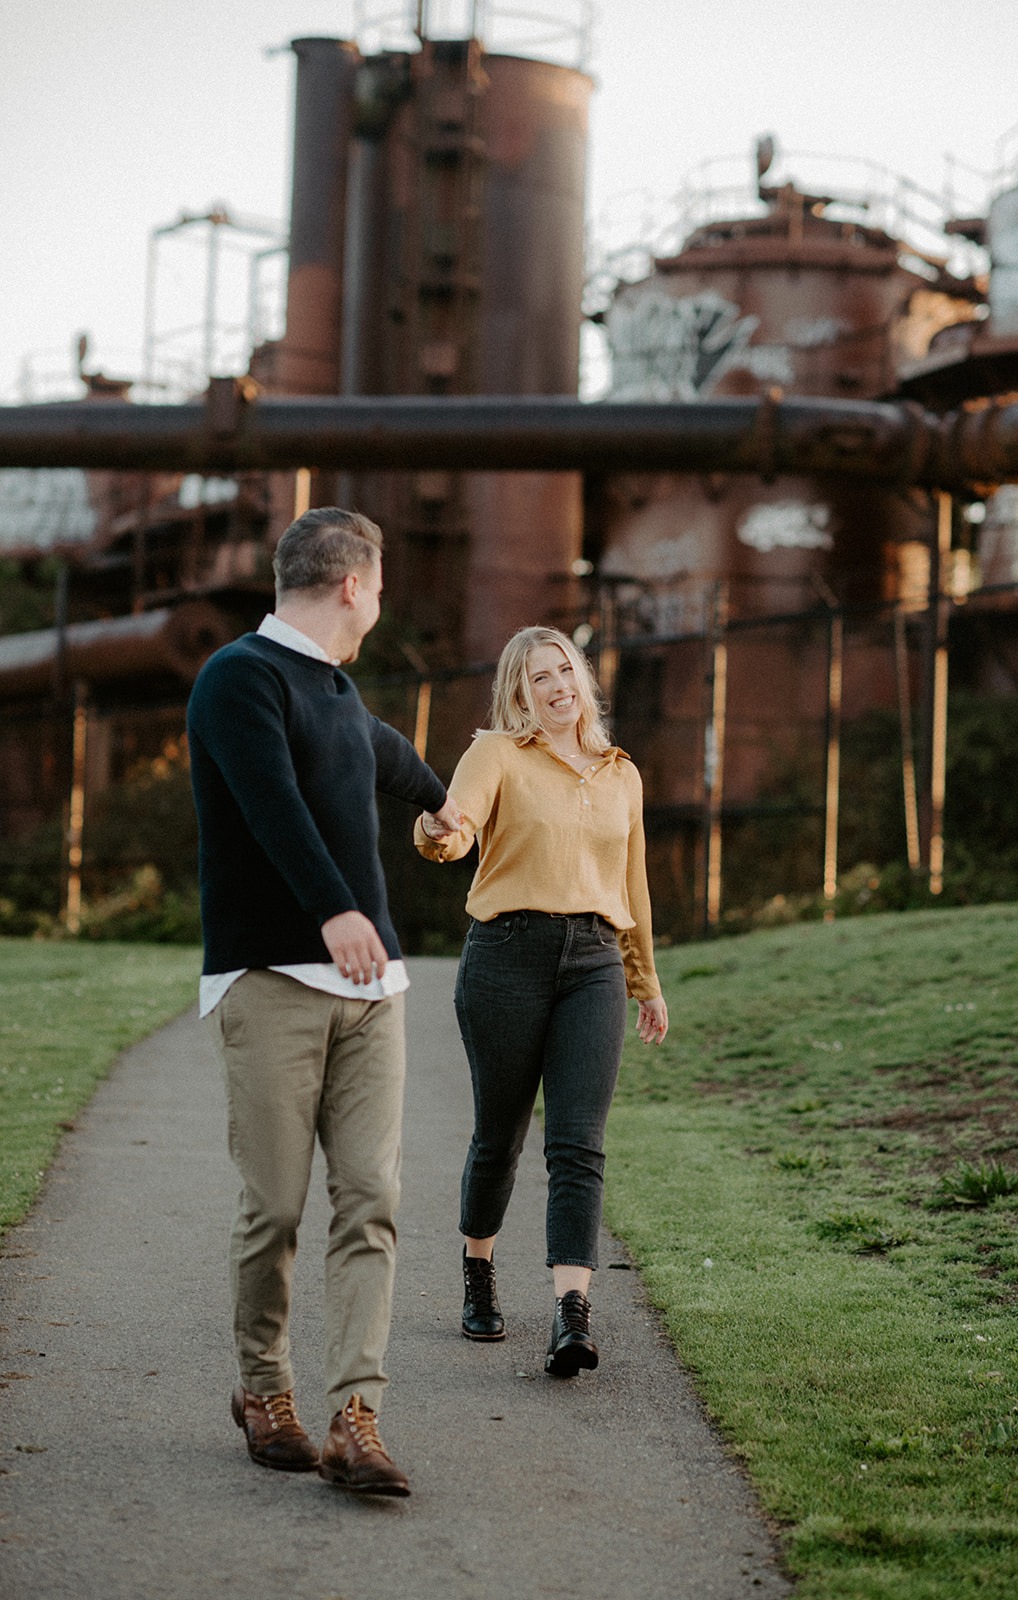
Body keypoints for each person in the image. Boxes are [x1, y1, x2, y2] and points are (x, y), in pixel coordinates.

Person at [186, 506, 462, 1496]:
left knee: (372, 1201)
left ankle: (356, 1415)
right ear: (353, 583)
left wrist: (440, 802)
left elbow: (384, 755)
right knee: (275, 1205)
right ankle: (265, 1390)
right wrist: (335, 907)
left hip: (373, 995)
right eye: (379, 587)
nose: (378, 603)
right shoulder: (237, 678)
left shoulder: (337, 693)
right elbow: (271, 802)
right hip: (272, 982)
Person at [415, 624, 669, 1377]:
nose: (556, 686)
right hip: (506, 959)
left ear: (582, 678)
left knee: (579, 1142)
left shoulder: (622, 773)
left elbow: (634, 888)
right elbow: (453, 829)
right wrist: (438, 831)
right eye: (537, 678)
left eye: (564, 670)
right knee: (500, 1135)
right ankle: (478, 1270)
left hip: (594, 962)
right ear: (519, 694)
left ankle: (571, 1312)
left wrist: (644, 980)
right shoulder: (497, 753)